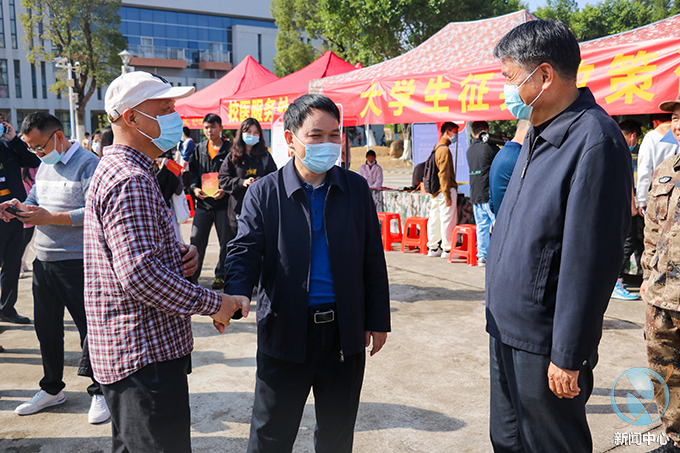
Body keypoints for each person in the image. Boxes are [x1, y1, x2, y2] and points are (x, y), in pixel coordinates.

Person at [487, 20, 631, 452]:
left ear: (544, 75)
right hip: (507, 327)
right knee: (507, 440)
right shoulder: (537, 132)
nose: (506, 89)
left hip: (545, 341)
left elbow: (591, 260)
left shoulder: (594, 141)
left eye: (510, 77)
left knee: (551, 444)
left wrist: (569, 353)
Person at [84, 71, 246, 452]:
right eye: (165, 109)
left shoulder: (127, 170)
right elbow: (140, 275)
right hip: (146, 357)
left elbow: (134, 258)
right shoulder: (131, 179)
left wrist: (176, 257)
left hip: (137, 352)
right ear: (132, 118)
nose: (176, 117)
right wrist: (215, 303)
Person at [224, 94, 390, 453]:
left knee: (336, 435)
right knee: (270, 435)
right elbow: (244, 250)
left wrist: (378, 319)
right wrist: (237, 292)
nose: (327, 144)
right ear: (290, 139)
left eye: (334, 135)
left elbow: (372, 259)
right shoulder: (265, 193)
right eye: (316, 135)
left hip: (344, 333)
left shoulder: (355, 188)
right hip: (285, 330)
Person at [0, 112, 109, 423]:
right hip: (44, 260)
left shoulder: (89, 164)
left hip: (77, 261)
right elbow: (36, 197)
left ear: (58, 136)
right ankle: (51, 388)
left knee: (90, 329)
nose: (37, 154)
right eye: (31, 148)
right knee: (46, 329)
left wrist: (51, 218)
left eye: (39, 147)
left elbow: (95, 211)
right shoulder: (46, 164)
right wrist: (19, 207)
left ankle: (100, 390)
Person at [641, 92, 680, 453]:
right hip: (662, 295)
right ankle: (675, 437)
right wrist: (646, 276)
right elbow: (652, 230)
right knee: (665, 370)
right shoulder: (666, 169)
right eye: (675, 117)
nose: (678, 124)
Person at [0, 115, 40, 325]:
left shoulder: (9, 146)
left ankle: (7, 308)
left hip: (13, 213)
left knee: (12, 263)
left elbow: (33, 161)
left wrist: (15, 139)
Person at [189, 113, 231, 290]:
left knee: (226, 243)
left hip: (224, 205)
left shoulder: (230, 150)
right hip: (203, 205)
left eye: (213, 127)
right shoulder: (199, 149)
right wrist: (194, 189)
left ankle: (221, 276)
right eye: (206, 127)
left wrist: (225, 190)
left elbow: (235, 174)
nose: (209, 131)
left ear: (221, 128)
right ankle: (192, 278)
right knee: (196, 241)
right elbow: (192, 174)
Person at [218, 117, 276, 237]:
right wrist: (242, 182)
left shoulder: (265, 156)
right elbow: (223, 179)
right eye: (248, 132)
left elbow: (273, 178)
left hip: (260, 209)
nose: (252, 135)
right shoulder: (233, 156)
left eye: (256, 132)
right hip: (237, 210)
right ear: (241, 133)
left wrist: (258, 182)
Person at [613, 119, 645, 300]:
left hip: (613, 206)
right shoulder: (623, 150)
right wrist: (633, 206)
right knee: (627, 243)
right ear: (633, 135)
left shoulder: (610, 144)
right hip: (622, 206)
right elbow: (627, 181)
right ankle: (615, 280)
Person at [466, 121, 499, 266]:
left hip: (475, 194)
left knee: (482, 227)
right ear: (486, 130)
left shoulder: (469, 150)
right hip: (489, 194)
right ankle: (500, 254)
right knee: (498, 225)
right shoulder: (491, 148)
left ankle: (482, 256)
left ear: (473, 132)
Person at [425, 122, 459, 257]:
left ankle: (433, 247)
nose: (456, 135)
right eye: (455, 132)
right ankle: (447, 249)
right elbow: (443, 174)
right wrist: (447, 195)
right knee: (447, 220)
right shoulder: (444, 150)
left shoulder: (436, 147)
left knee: (435, 219)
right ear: (447, 132)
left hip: (435, 191)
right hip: (445, 190)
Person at [637, 113, 679, 215]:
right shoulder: (676, 135)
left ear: (655, 122)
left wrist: (642, 201)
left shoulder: (651, 137)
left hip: (660, 194)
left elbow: (644, 169)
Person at [489, 120, 530, 215]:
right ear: (529, 129)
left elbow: (492, 202)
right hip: (514, 220)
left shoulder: (501, 153)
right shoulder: (520, 158)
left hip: (501, 219)